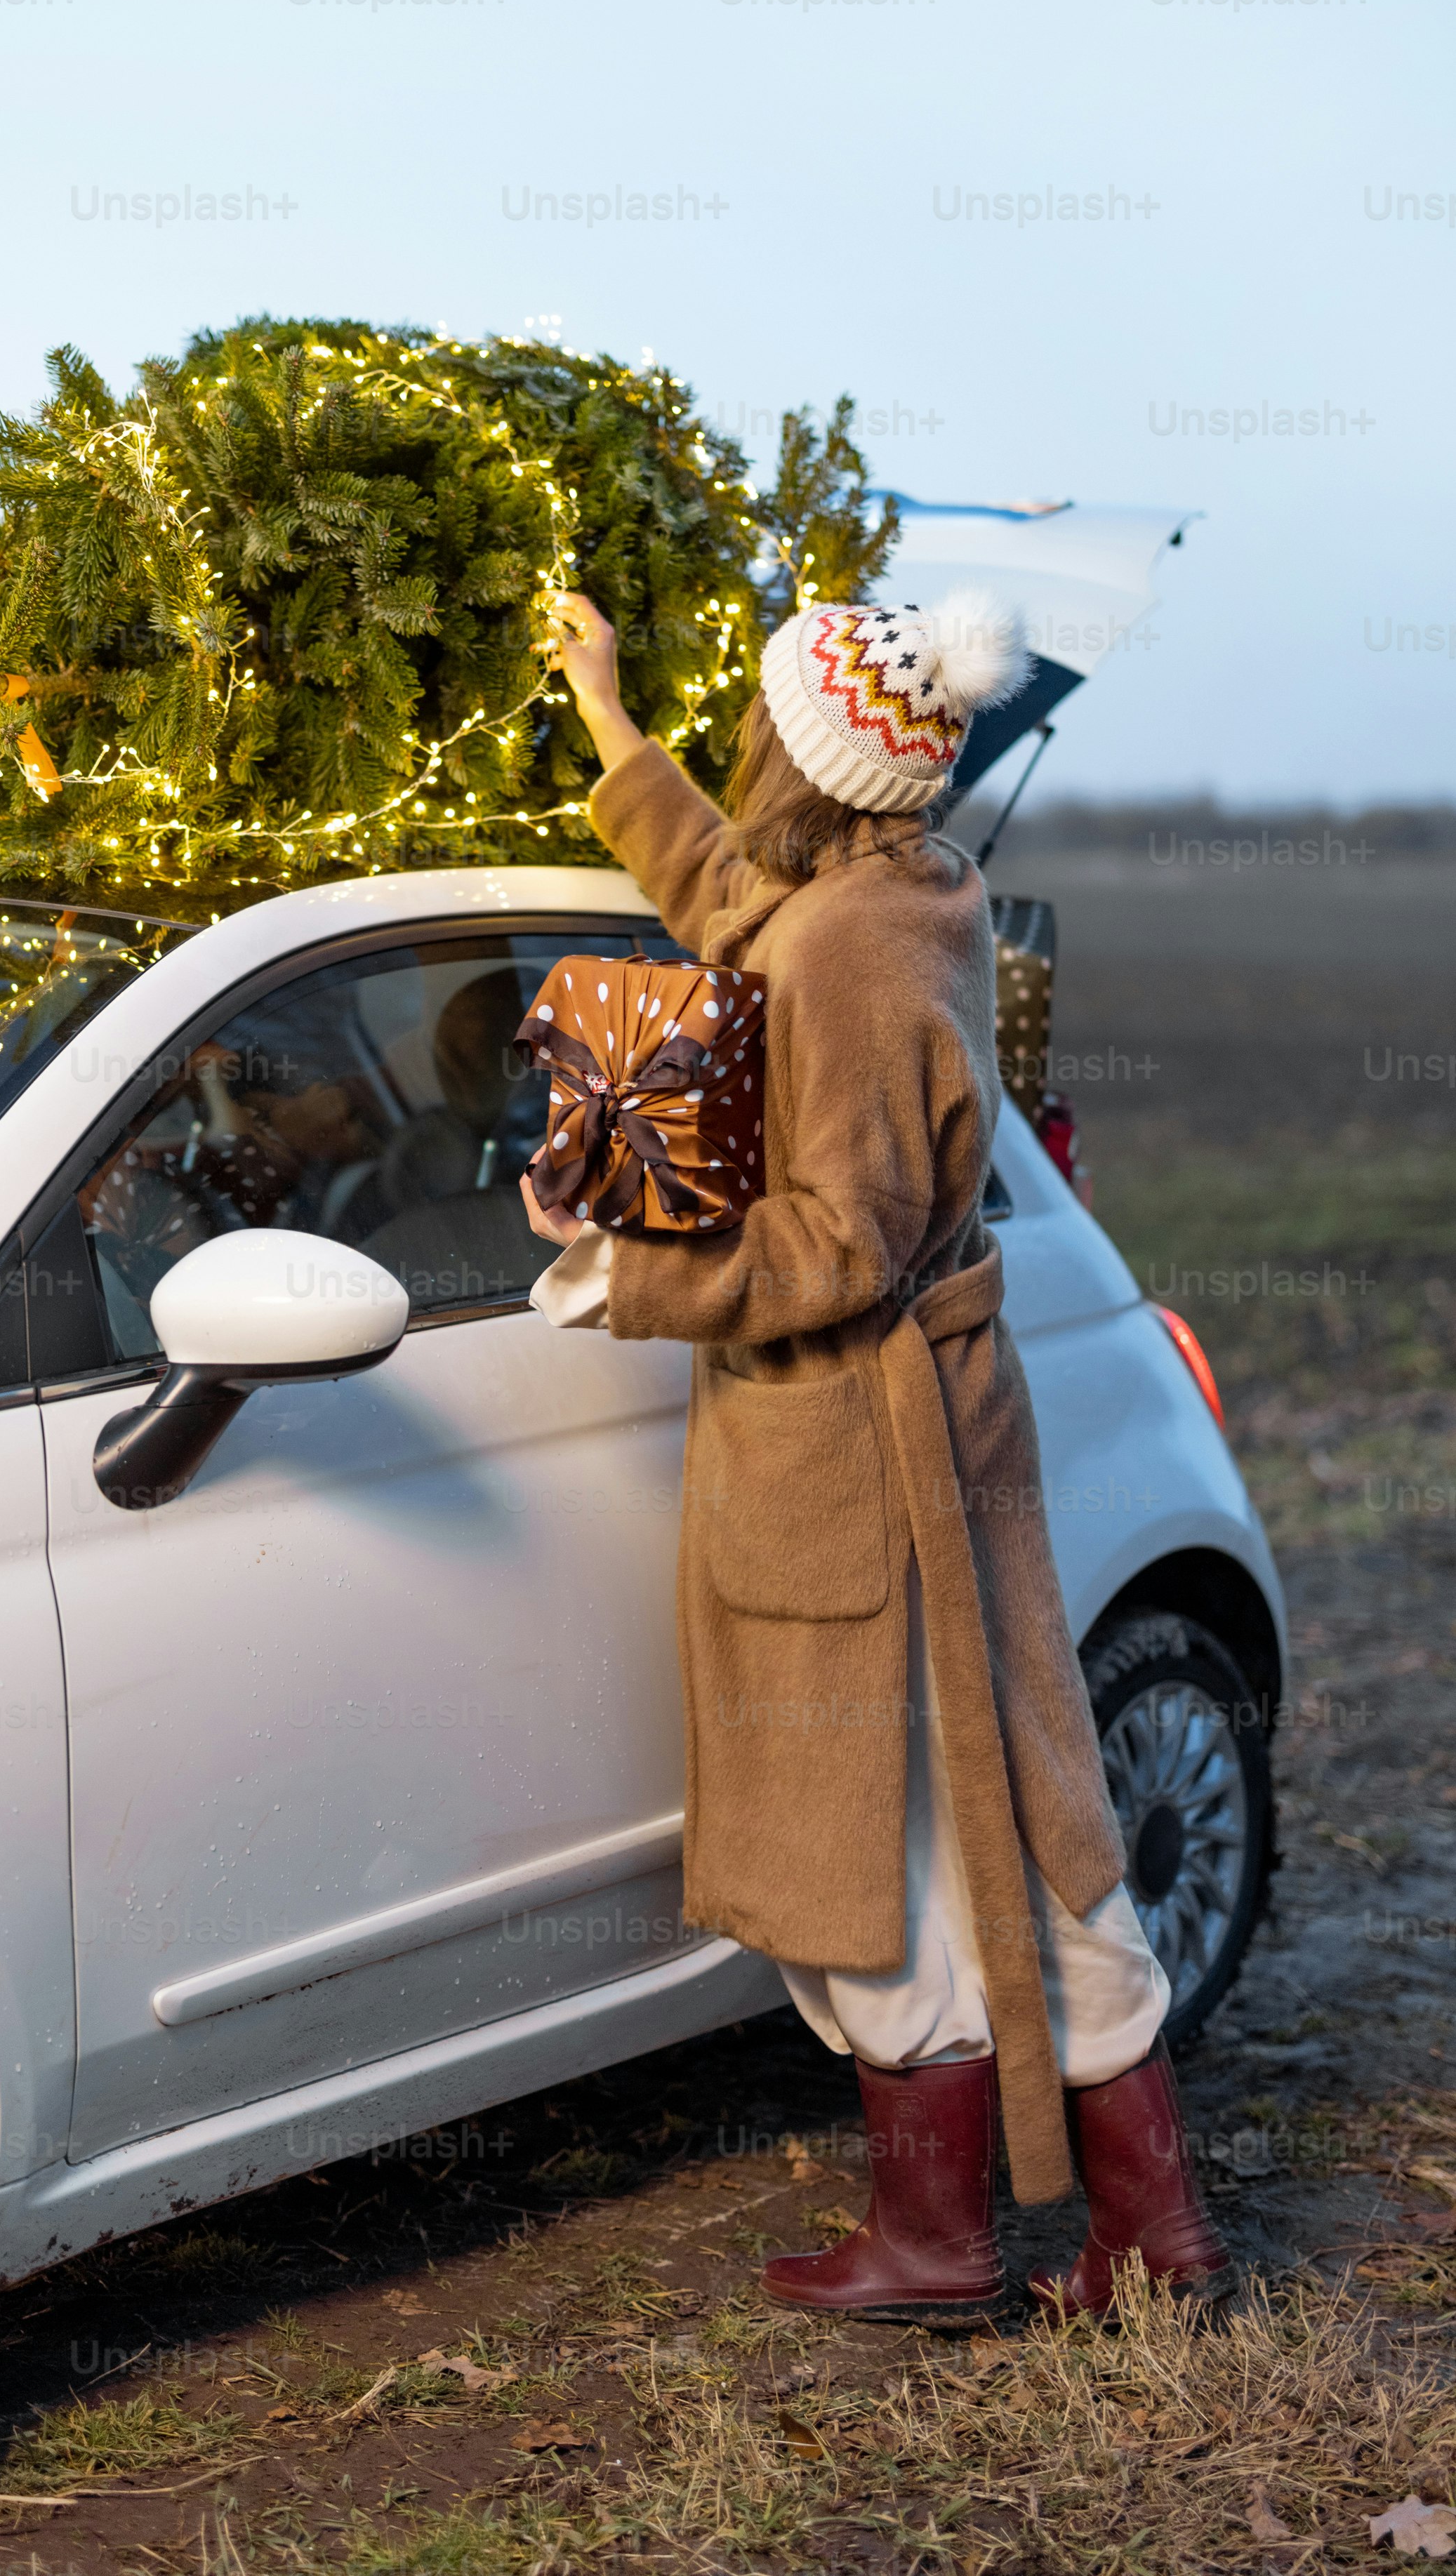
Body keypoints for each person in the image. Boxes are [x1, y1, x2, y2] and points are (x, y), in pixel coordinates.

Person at [521, 585, 1233, 2328]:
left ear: (809, 745)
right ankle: (1154, 2231)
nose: (748, 729)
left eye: (761, 710)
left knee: (891, 1842)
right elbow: (731, 896)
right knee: (1019, 1811)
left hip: (861, 1448)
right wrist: (609, 718)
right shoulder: (896, 888)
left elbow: (838, 1238)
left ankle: (936, 2238)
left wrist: (628, 1262)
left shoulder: (848, 944)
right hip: (925, 1430)